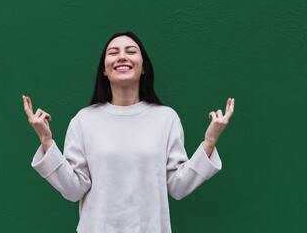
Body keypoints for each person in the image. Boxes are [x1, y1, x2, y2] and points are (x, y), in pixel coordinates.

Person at [22, 31, 234, 233]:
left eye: (131, 51)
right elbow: (73, 190)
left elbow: (178, 187)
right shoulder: (84, 120)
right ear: (104, 70)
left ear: (143, 68)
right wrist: (46, 140)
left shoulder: (165, 118)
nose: (122, 57)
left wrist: (210, 141)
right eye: (113, 53)